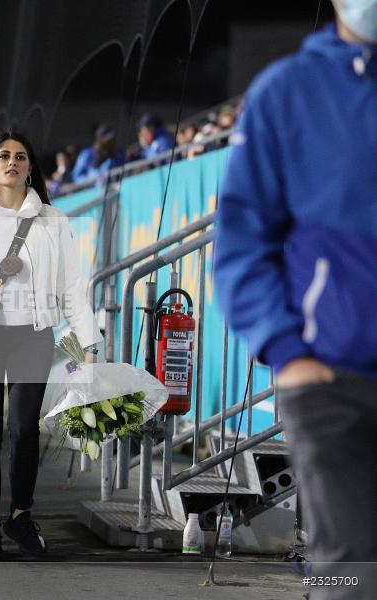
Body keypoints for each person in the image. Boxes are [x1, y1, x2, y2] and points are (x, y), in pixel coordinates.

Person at [214, 3, 376, 597]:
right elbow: (239, 240)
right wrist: (288, 350)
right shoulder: (288, 91)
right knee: (347, 572)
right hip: (333, 379)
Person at [0, 131, 101, 558]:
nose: (11, 162)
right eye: (3, 156)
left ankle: (20, 515)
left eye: (20, 156)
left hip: (32, 334)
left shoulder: (52, 220)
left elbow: (72, 285)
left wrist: (87, 342)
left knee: (23, 429)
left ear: (31, 166)